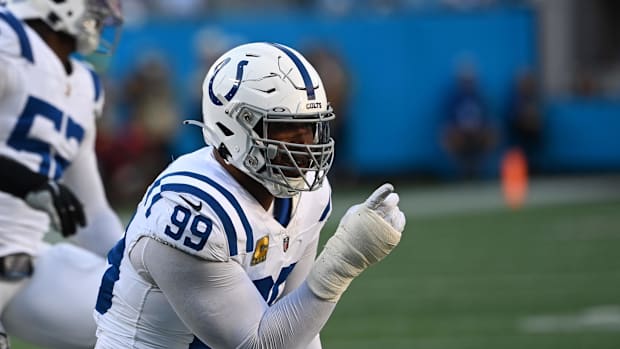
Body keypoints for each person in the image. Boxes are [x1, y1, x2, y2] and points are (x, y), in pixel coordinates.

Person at [94, 42, 406, 349]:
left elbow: (298, 322)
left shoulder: (310, 194)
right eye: (286, 127)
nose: (308, 144)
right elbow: (257, 344)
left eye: (312, 126)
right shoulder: (190, 210)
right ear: (233, 128)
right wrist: (343, 261)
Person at [0, 0, 123, 348]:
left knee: (148, 317)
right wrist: (24, 183)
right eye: (95, 4)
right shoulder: (6, 41)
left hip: (25, 260)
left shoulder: (83, 85)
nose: (103, 15)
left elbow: (92, 212)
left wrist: (137, 264)